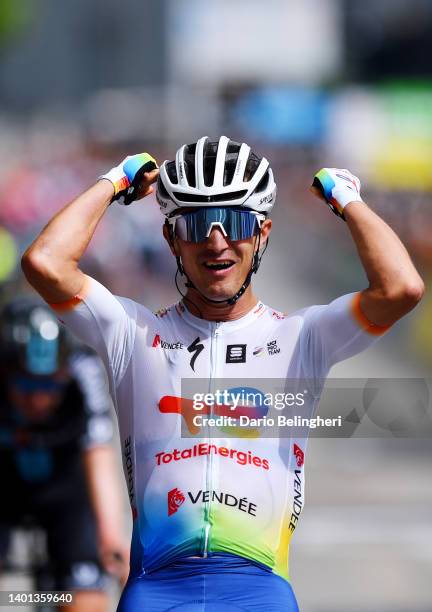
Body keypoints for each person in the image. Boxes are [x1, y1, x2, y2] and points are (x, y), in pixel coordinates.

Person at [21, 137, 424, 611]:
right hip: (157, 588)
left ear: (263, 233)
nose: (216, 241)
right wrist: (117, 181)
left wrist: (346, 198)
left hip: (259, 588)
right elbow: (45, 262)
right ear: (171, 239)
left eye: (234, 223)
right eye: (194, 225)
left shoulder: (303, 338)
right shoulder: (132, 333)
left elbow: (402, 288)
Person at [0, 297, 129, 612]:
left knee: (86, 601)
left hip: (66, 489)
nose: (39, 400)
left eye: (49, 386)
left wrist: (111, 536)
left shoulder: (83, 368)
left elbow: (98, 453)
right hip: (4, 482)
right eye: (26, 385)